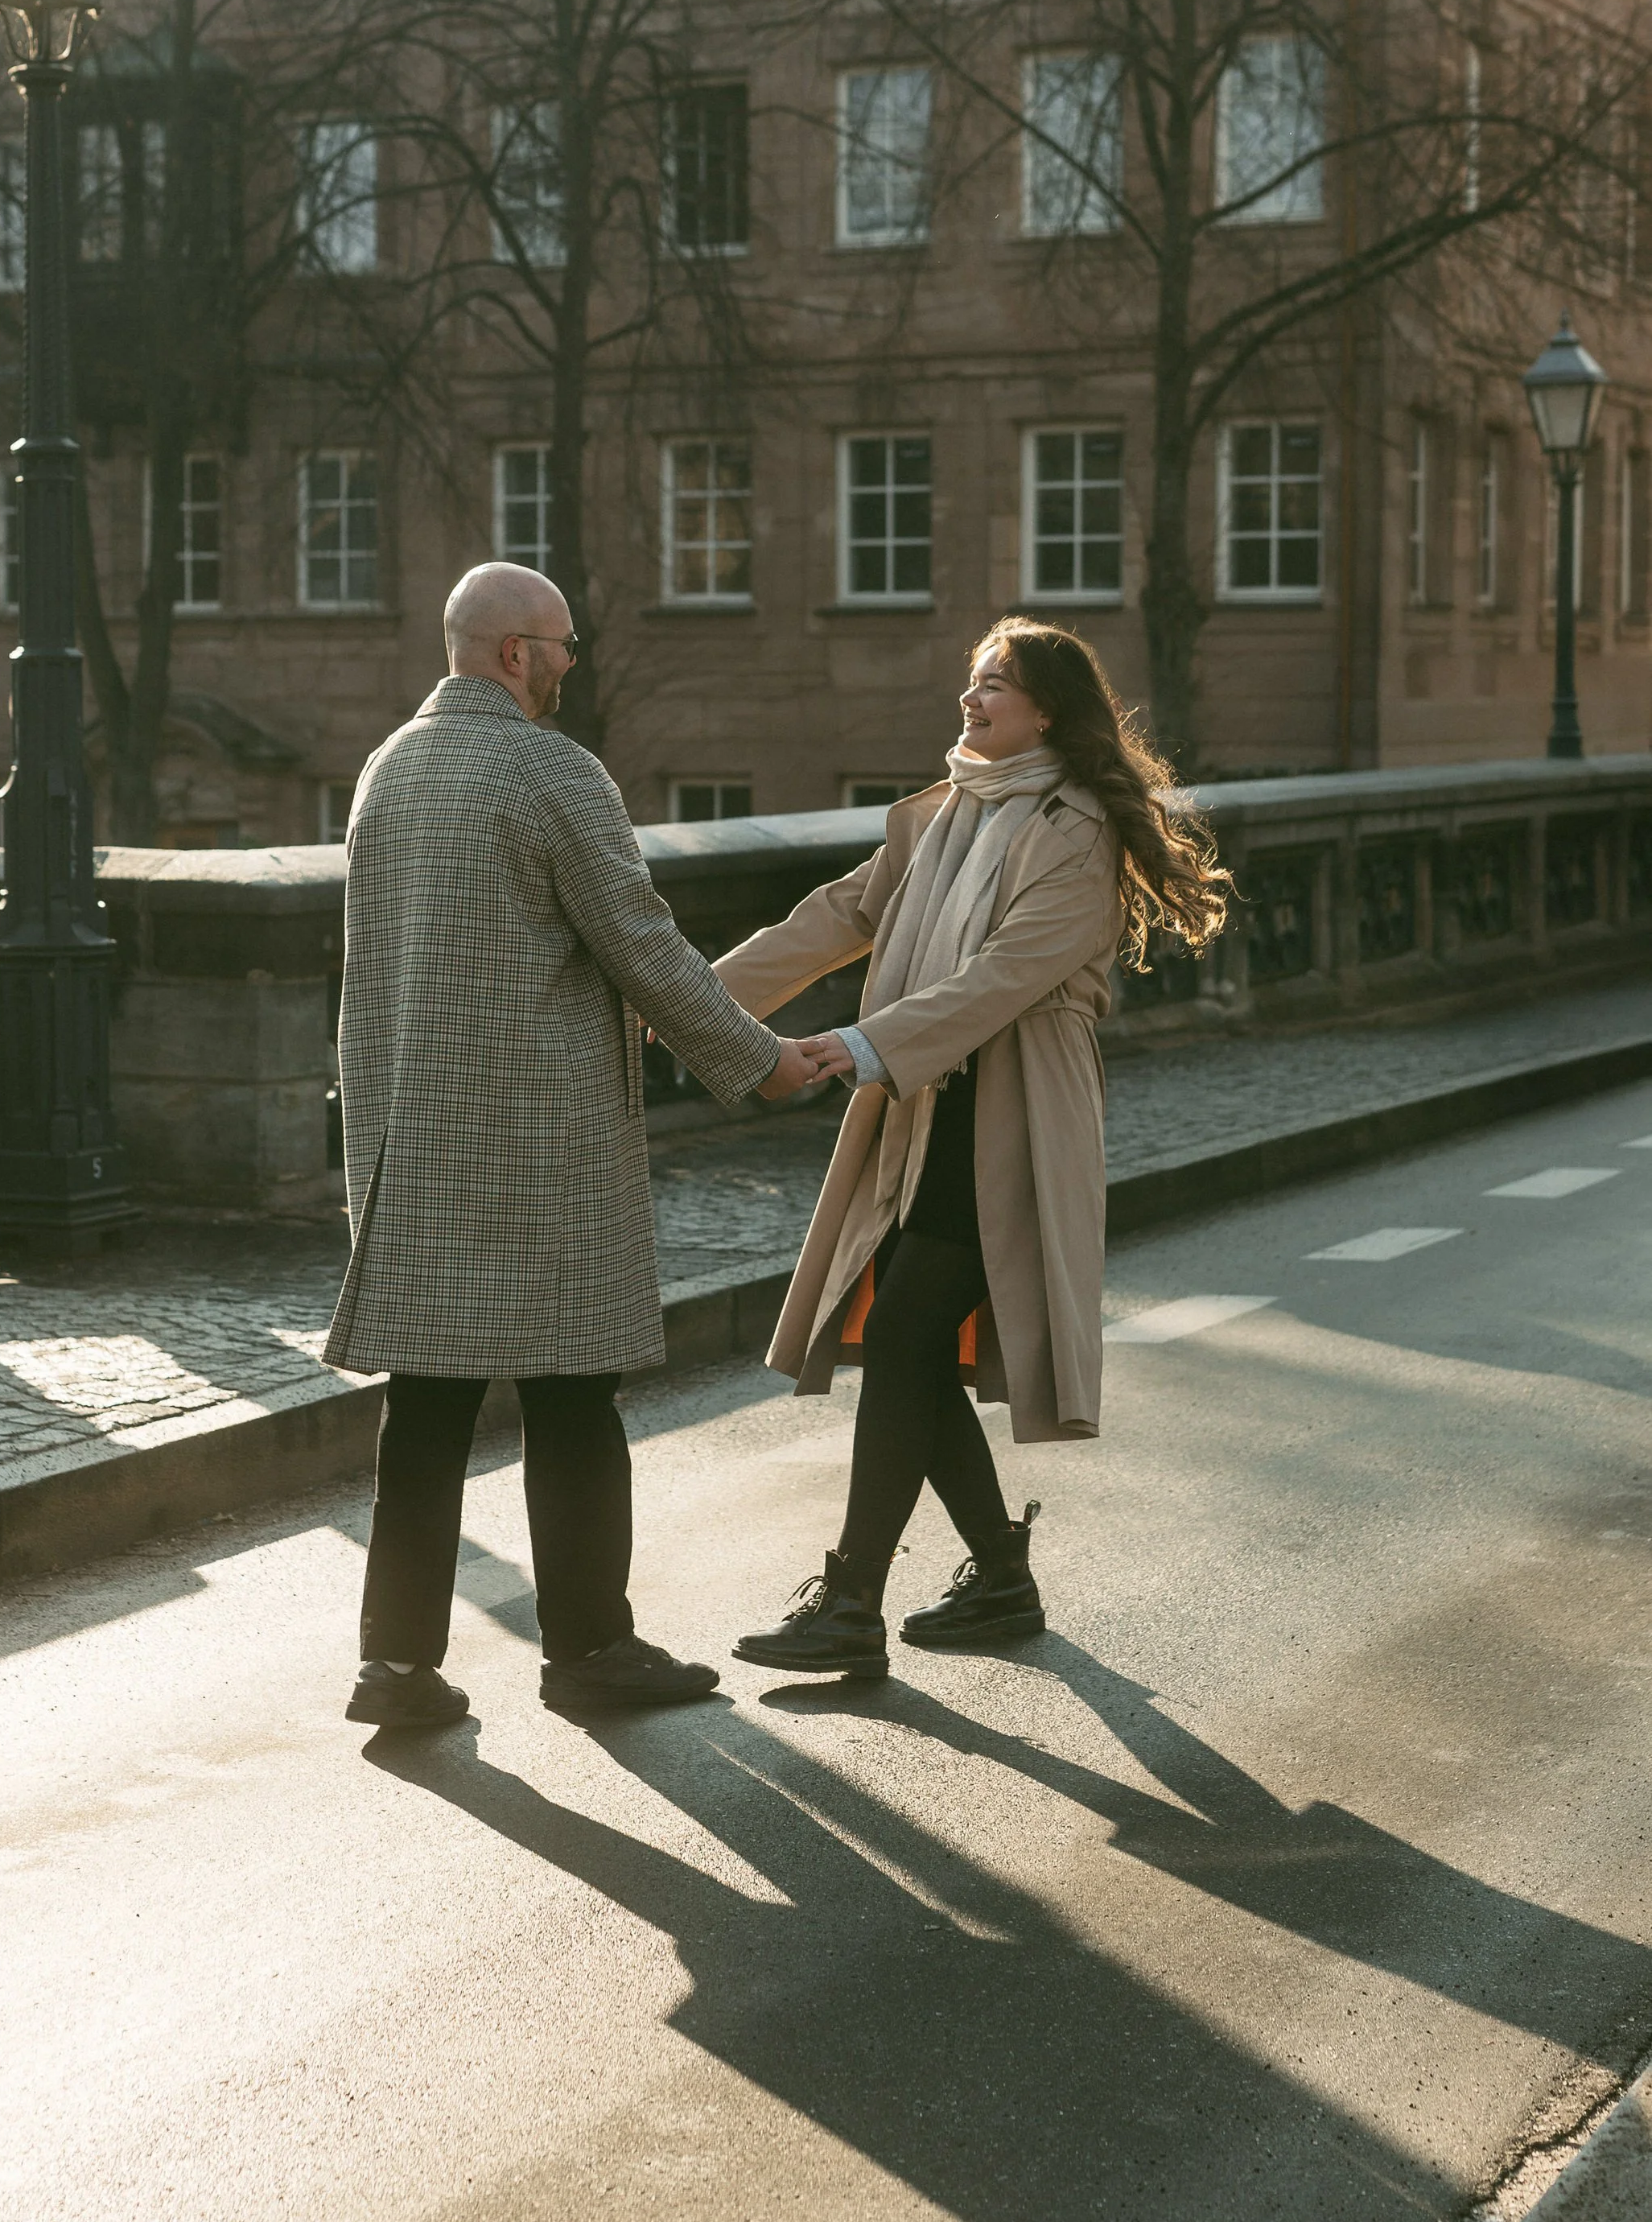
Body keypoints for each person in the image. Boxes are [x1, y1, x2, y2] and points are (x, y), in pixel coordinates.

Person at [326, 559, 816, 1729]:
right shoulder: (551, 772)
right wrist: (763, 1062)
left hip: (415, 1131)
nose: (570, 662)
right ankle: (591, 1647)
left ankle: (394, 1669)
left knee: (429, 1407)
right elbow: (642, 946)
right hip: (536, 1140)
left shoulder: (385, 770)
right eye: (560, 643)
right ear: (513, 655)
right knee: (572, 1400)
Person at [716, 620, 1229, 1679]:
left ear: (1049, 709)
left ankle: (856, 1598)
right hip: (926, 1114)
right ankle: (997, 1574)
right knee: (905, 1344)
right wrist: (695, 1004)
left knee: (904, 1330)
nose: (972, 698)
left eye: (996, 684)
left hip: (1008, 1118)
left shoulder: (1073, 828)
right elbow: (840, 913)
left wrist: (855, 1044)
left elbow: (1005, 978)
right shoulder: (944, 813)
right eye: (971, 680)